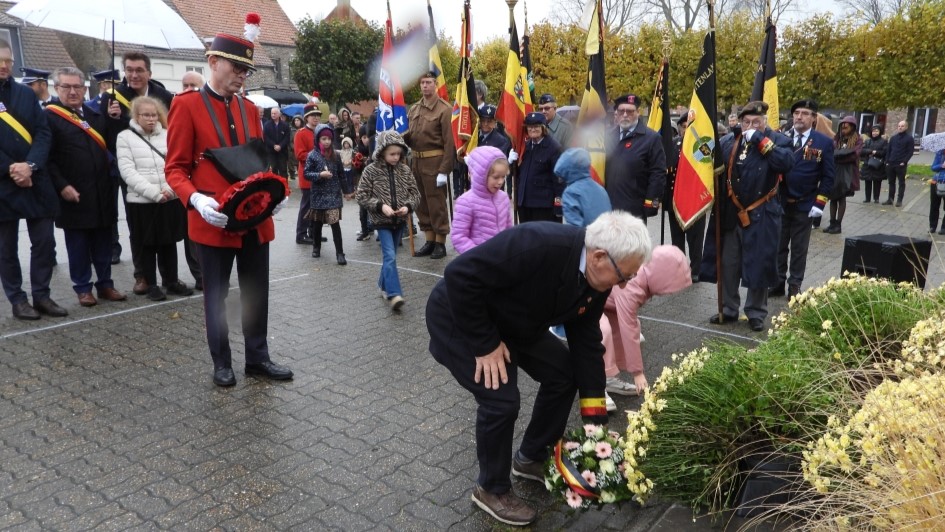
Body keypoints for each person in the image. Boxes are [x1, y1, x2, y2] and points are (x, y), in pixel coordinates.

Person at [427, 211, 652, 527]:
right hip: (463, 317)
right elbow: (460, 276)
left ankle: (531, 456)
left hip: (517, 323)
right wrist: (486, 345)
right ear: (600, 256)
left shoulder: (598, 279)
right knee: (501, 401)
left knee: (564, 374)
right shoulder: (536, 243)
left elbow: (586, 344)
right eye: (623, 277)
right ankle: (491, 489)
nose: (624, 285)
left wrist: (595, 425)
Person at [164, 26, 293, 387]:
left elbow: (256, 162)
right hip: (212, 220)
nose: (241, 75)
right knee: (216, 297)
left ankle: (258, 357)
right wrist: (195, 199)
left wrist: (274, 194)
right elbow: (174, 168)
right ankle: (222, 362)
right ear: (214, 61)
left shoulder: (250, 109)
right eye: (236, 67)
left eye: (245, 70)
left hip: (253, 218)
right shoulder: (185, 106)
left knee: (256, 291)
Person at [709, 101, 793, 332]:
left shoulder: (778, 140)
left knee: (759, 263)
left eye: (756, 122)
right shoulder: (729, 141)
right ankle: (728, 308)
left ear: (765, 122)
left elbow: (785, 163)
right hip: (733, 213)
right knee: (729, 263)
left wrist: (759, 140)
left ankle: (756, 312)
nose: (750, 126)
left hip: (762, 213)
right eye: (747, 122)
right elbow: (714, 168)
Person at [46, 67, 126, 307]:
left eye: (77, 87)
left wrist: (115, 118)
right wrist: (62, 186)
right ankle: (82, 287)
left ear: (84, 88)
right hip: (73, 191)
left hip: (101, 188)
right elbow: (47, 159)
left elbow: (112, 144)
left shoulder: (95, 114)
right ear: (57, 89)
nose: (73, 92)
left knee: (103, 239)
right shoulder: (49, 117)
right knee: (78, 243)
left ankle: (105, 284)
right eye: (66, 87)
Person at [0, 40, 68, 320]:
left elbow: (43, 132)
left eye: (7, 61)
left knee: (44, 242)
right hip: (3, 183)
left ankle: (42, 295)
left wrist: (30, 165)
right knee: (6, 247)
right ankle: (17, 299)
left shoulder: (25, 94)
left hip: (35, 179)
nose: (4, 66)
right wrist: (12, 169)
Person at [116, 96, 192, 301]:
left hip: (169, 198)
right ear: (136, 116)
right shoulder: (124, 137)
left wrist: (169, 190)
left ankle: (171, 280)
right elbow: (127, 171)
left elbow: (176, 165)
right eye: (145, 115)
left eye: (154, 115)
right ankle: (151, 284)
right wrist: (154, 193)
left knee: (169, 243)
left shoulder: (168, 135)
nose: (150, 119)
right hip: (142, 201)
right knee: (147, 245)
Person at [600, 245, 691, 407]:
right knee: (603, 331)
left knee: (628, 332)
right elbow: (628, 326)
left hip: (605, 301)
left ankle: (608, 377)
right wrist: (638, 373)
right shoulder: (631, 284)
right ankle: (595, 386)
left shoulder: (642, 273)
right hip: (587, 300)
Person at [770, 99, 834, 299]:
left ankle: (795, 285)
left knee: (799, 249)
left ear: (814, 118)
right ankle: (778, 282)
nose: (799, 116)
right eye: (796, 112)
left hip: (805, 204)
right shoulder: (781, 138)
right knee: (779, 246)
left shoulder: (823, 142)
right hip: (781, 202)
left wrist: (820, 203)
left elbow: (828, 176)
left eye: (805, 113)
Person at [548, 147, 612, 346]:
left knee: (570, 289)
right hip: (607, 246)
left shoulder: (571, 192)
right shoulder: (599, 188)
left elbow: (575, 231)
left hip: (586, 250)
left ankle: (561, 328)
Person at [356, 131, 420, 311]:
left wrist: (407, 207)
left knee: (391, 257)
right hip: (381, 221)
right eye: (392, 154)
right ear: (382, 151)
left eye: (398, 154)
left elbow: (415, 194)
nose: (396, 157)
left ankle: (382, 284)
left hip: (399, 221)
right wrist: (380, 206)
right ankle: (394, 294)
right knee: (390, 256)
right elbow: (361, 196)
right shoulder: (371, 170)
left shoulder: (405, 170)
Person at [404, 71, 455, 259]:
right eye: (422, 82)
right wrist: (395, 141)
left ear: (436, 84)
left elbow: (450, 143)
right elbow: (411, 135)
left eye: (428, 82)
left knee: (436, 203)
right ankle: (430, 239)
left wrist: (444, 170)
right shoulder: (415, 108)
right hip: (416, 161)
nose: (425, 86)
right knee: (421, 203)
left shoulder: (444, 109)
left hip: (435, 162)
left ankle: (440, 242)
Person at [605, 94, 666, 222]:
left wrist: (651, 202)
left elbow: (658, 172)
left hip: (634, 206)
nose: (625, 115)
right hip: (608, 204)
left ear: (638, 113)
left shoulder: (651, 138)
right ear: (616, 113)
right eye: (621, 111)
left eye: (630, 111)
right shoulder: (608, 136)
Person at [665, 112, 705, 281]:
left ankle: (696, 269)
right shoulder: (673, 145)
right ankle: (678, 269)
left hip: (695, 199)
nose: (686, 130)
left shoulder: (702, 147)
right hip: (675, 199)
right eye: (683, 126)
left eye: (689, 126)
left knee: (695, 239)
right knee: (677, 238)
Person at [305, 125, 352, 265]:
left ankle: (340, 253)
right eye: (323, 138)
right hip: (318, 195)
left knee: (335, 224)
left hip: (333, 194)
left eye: (329, 139)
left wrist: (347, 191)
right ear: (318, 139)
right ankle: (316, 247)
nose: (326, 142)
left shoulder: (336, 155)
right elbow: (306, 173)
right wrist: (319, 175)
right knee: (317, 224)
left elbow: (342, 175)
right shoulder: (312, 155)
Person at [451, 146, 512, 254]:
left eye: (503, 177)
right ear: (481, 175)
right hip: (478, 262)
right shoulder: (466, 202)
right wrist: (478, 255)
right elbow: (458, 237)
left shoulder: (503, 197)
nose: (500, 182)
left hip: (501, 259)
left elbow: (509, 229)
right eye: (496, 177)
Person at [515, 112, 562, 223]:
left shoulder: (553, 148)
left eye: (536, 126)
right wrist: (512, 162)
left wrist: (558, 207)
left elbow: (559, 182)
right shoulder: (524, 147)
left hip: (543, 207)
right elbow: (519, 176)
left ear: (543, 128)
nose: (532, 129)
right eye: (530, 127)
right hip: (524, 205)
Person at [824, 116, 862, 234]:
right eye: (842, 127)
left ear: (852, 127)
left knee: (841, 197)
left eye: (846, 127)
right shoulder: (837, 138)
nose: (844, 129)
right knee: (832, 197)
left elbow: (854, 155)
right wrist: (841, 155)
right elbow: (831, 152)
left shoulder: (857, 139)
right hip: (835, 170)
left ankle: (838, 225)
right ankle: (832, 223)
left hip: (847, 172)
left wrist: (840, 156)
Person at [293, 104, 321, 245]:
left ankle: (314, 232)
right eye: (313, 115)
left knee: (316, 206)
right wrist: (317, 157)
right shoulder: (301, 133)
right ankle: (301, 234)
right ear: (306, 118)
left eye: (318, 115)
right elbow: (300, 154)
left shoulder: (320, 132)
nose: (316, 117)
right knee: (307, 205)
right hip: (308, 175)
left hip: (320, 175)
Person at [884, 120, 913, 207]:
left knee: (901, 182)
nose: (900, 127)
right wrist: (887, 161)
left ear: (906, 127)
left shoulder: (909, 138)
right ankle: (890, 199)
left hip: (901, 164)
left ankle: (899, 200)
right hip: (891, 163)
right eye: (899, 126)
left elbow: (910, 152)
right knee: (891, 182)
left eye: (902, 126)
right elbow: (888, 150)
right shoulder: (893, 138)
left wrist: (904, 162)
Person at [355, 125, 375, 242]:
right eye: (363, 137)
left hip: (374, 184)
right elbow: (356, 170)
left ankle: (377, 228)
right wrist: (359, 163)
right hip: (362, 184)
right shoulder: (358, 151)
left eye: (368, 137)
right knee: (363, 208)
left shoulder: (376, 150)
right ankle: (365, 230)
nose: (366, 139)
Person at [861, 125, 888, 203]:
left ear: (880, 132)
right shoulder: (867, 141)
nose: (874, 133)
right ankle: (867, 198)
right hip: (868, 164)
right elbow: (862, 151)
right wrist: (870, 151)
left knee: (877, 182)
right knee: (868, 182)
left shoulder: (883, 142)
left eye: (876, 131)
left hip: (878, 165)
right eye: (873, 131)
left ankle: (876, 198)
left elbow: (885, 152)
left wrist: (876, 152)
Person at [264, 107, 290, 178]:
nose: (273, 115)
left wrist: (280, 146)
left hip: (282, 151)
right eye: (272, 113)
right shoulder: (267, 125)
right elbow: (266, 137)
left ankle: (285, 187)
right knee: (273, 169)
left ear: (279, 114)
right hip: (271, 151)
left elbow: (287, 138)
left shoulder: (285, 125)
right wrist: (274, 145)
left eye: (275, 113)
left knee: (283, 170)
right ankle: (275, 187)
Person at [929, 148, 945, 234]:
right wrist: (941, 166)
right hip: (936, 182)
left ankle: (943, 228)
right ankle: (932, 226)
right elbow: (933, 167)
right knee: (934, 206)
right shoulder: (940, 153)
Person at [288, 115, 303, 179]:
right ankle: (292, 174)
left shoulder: (304, 129)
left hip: (302, 150)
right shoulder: (291, 130)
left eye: (298, 120)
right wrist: (294, 147)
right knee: (291, 163)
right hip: (293, 150)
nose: (296, 122)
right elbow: (290, 141)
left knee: (300, 166)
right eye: (295, 120)